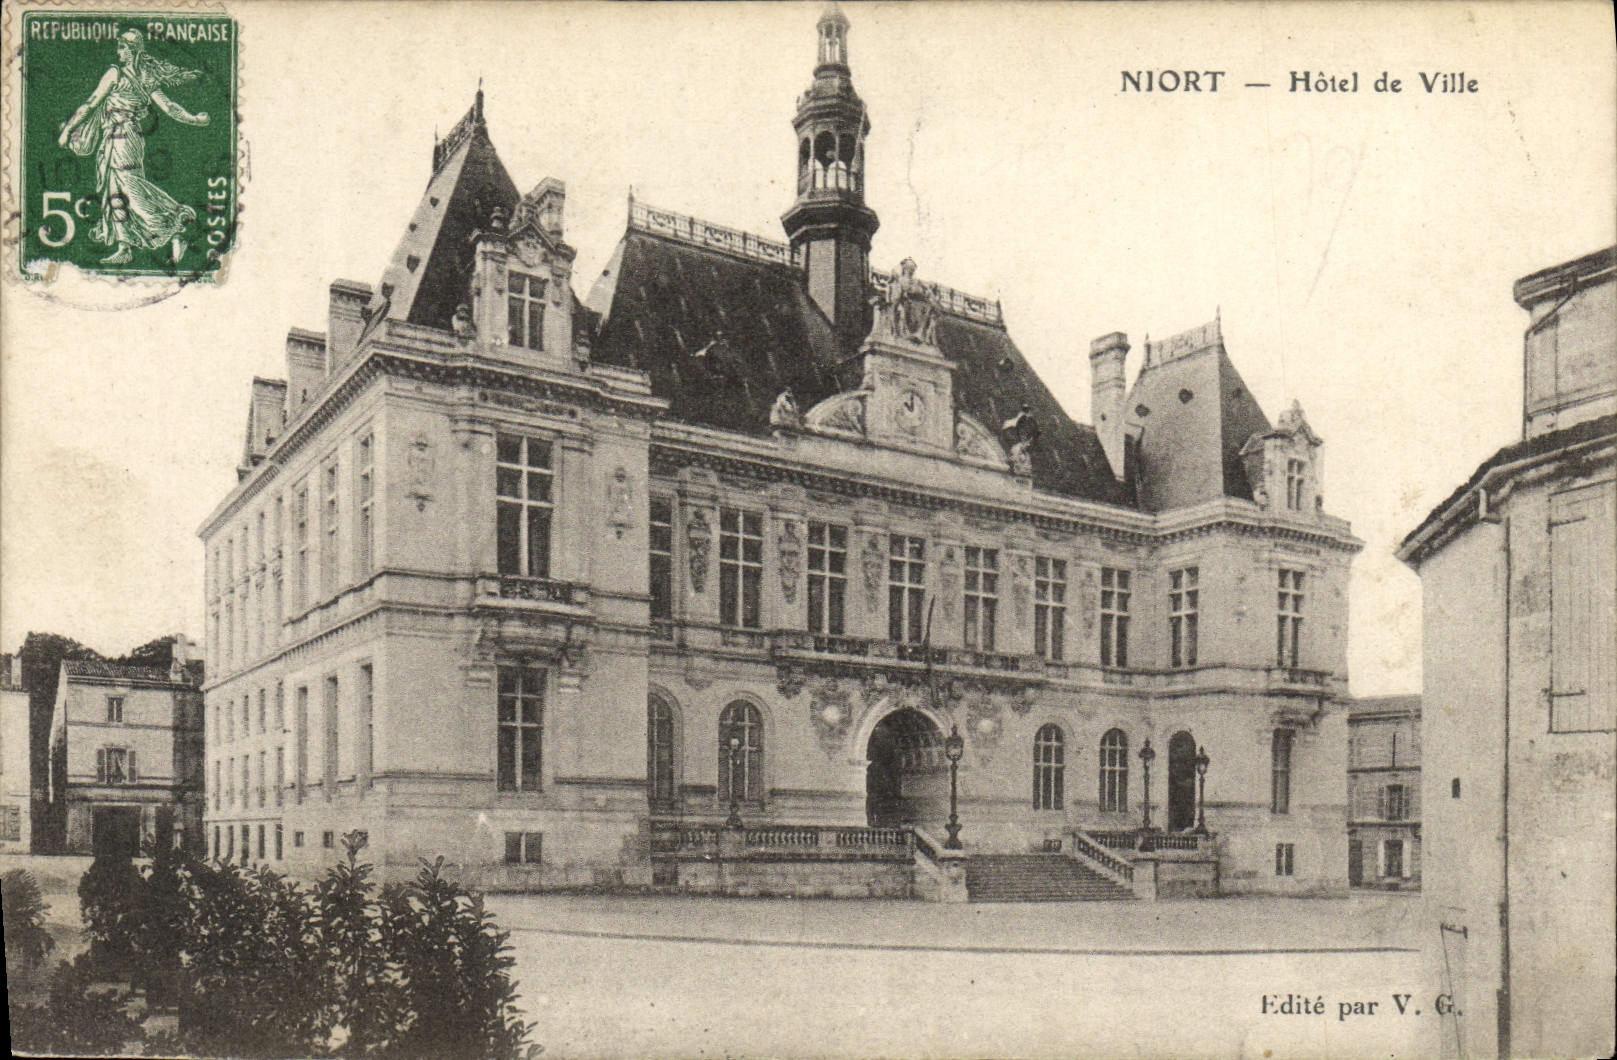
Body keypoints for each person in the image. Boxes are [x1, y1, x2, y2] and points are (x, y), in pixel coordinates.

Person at [57, 28, 211, 265]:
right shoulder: (147, 77)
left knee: (130, 189)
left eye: (121, 48)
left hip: (122, 138)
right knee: (115, 190)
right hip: (124, 138)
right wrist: (194, 119)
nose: (118, 52)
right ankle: (124, 247)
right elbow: (170, 107)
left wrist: (68, 129)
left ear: (132, 51)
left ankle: (176, 225)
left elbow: (90, 104)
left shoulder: (115, 73)